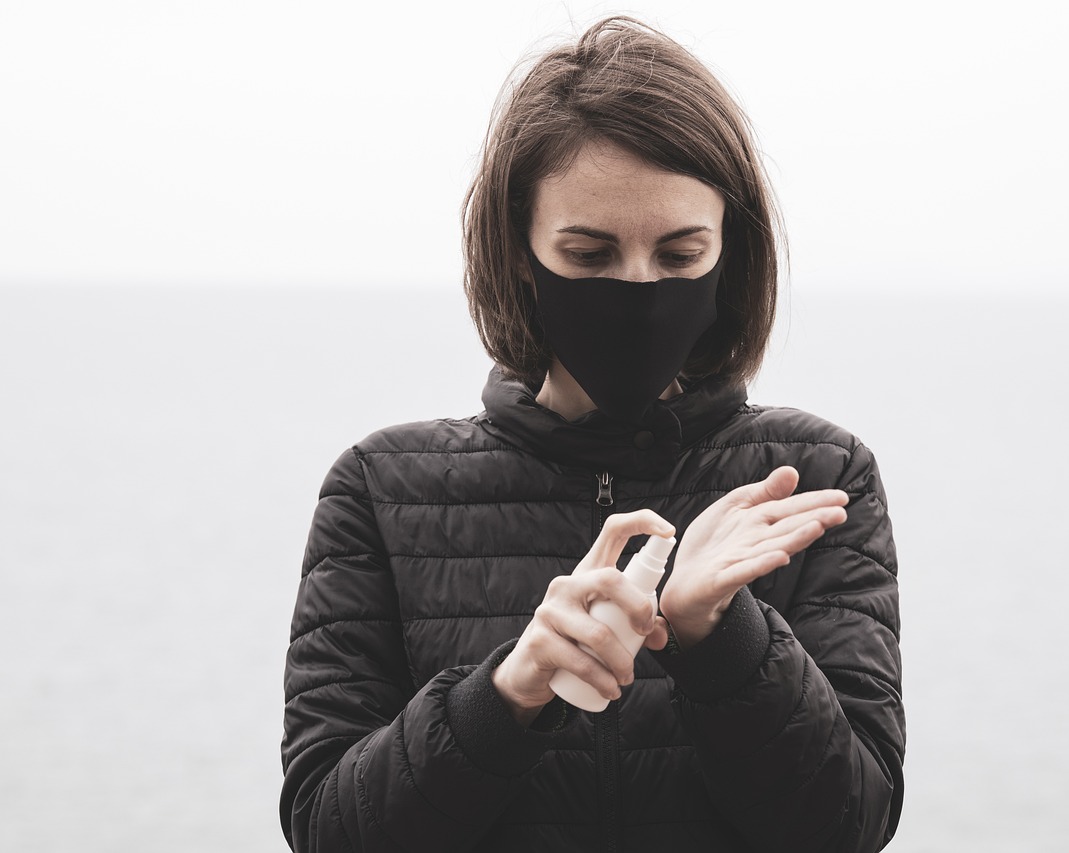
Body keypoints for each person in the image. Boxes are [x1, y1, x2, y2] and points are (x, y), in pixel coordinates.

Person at [280, 15, 904, 853]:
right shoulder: (379, 488)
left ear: (732, 254)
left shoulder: (817, 478)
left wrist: (720, 636)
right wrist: (508, 691)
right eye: (589, 253)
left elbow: (848, 825)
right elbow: (328, 830)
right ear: (518, 252)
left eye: (681, 256)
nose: (637, 288)